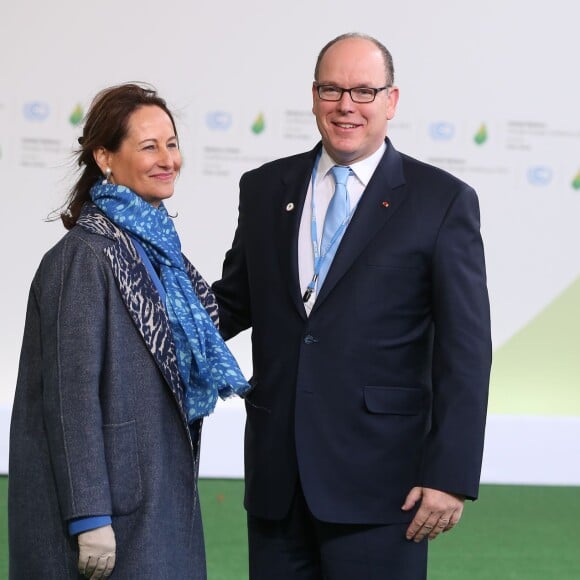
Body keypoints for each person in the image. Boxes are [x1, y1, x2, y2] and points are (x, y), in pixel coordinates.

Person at [212, 33, 492, 579]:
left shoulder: (442, 201)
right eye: (332, 89)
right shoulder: (265, 187)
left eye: (364, 91)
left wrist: (451, 474)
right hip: (277, 479)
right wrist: (142, 313)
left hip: (385, 488)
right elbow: (234, 302)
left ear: (391, 100)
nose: (346, 105)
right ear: (313, 96)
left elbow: (466, 349)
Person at [8, 82, 249, 579]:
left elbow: (203, 326)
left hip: (154, 495)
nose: (168, 159)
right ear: (104, 157)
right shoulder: (83, 256)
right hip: (110, 511)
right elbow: (69, 396)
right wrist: (89, 516)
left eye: (172, 143)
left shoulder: (158, 251)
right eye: (148, 146)